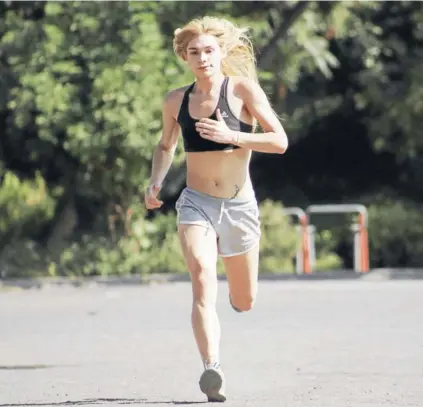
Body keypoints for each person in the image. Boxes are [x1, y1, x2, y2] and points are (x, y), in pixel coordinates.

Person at [144, 16, 288, 403]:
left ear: (221, 52)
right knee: (202, 277)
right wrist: (156, 181)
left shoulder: (242, 90)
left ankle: (237, 304)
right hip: (197, 203)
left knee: (244, 301)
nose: (203, 57)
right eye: (195, 52)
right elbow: (165, 145)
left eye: (209, 50)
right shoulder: (176, 100)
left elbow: (279, 140)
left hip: (240, 207)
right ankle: (212, 369)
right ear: (185, 57)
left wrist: (233, 135)